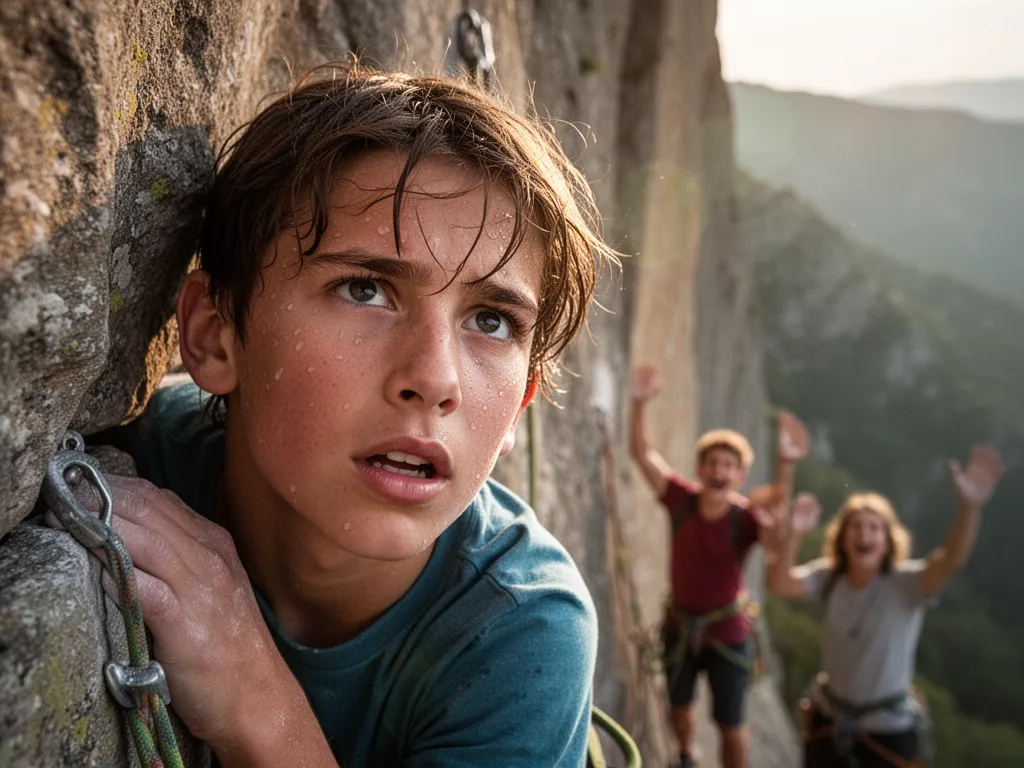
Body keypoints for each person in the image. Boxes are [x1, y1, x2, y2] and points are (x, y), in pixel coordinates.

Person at [70, 63, 621, 767]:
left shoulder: (519, 634)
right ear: (213, 334)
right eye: (365, 289)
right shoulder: (136, 463)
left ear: (518, 404)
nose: (435, 379)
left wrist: (258, 705)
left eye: (490, 319)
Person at [764, 445, 1005, 767]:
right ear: (843, 537)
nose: (865, 533)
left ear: (889, 540)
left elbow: (950, 560)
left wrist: (969, 509)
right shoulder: (830, 576)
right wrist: (793, 536)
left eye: (874, 527)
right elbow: (779, 584)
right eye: (856, 526)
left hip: (887, 729)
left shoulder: (907, 584)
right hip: (828, 716)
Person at [629, 363, 810, 768]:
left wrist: (787, 465)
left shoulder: (746, 519)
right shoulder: (681, 500)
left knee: (731, 724)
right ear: (700, 469)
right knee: (679, 705)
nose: (719, 471)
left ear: (740, 477)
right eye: (713, 462)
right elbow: (643, 455)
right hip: (679, 624)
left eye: (728, 466)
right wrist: (639, 404)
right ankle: (687, 755)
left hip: (728, 633)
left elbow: (774, 535)